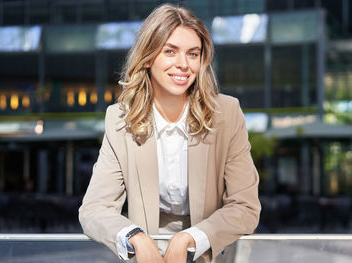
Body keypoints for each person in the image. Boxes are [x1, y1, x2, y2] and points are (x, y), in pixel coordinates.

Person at [78, 3, 261, 263]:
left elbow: (245, 207)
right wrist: (136, 237)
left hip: (211, 252)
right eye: (170, 51)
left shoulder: (227, 114)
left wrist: (190, 238)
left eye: (193, 53)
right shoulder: (119, 120)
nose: (183, 64)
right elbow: (94, 209)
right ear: (149, 56)